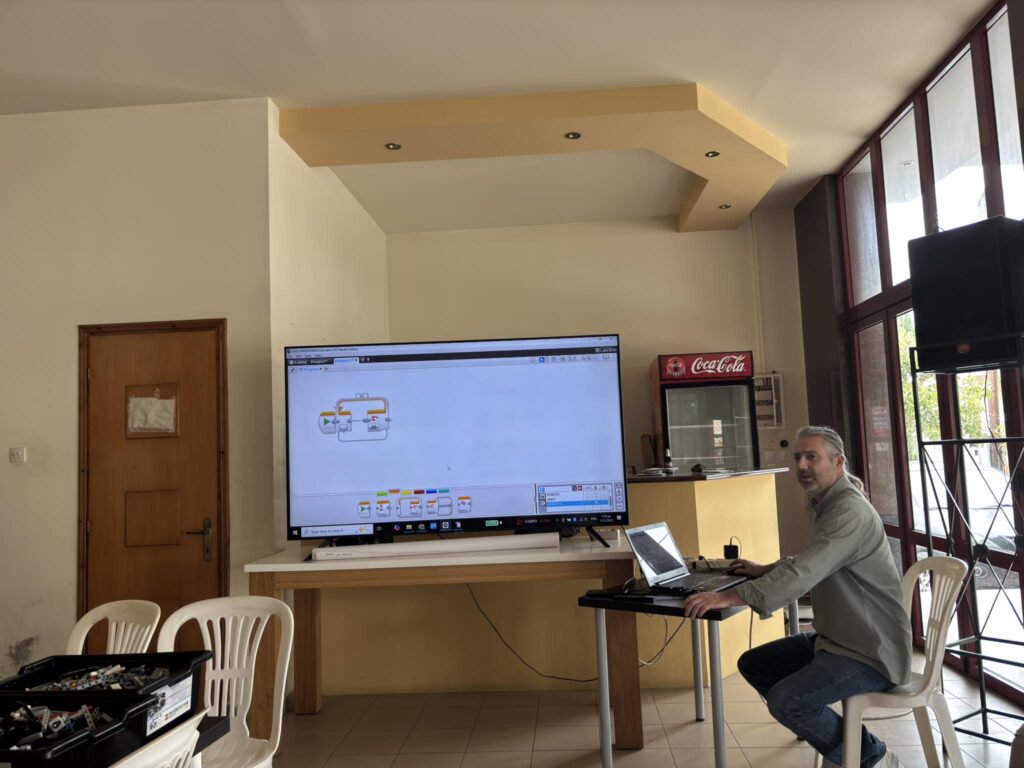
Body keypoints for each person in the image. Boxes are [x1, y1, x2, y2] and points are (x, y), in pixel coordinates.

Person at [681, 425, 911, 768]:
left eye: (812, 457)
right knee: (755, 665)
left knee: (788, 701)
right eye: (798, 457)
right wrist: (765, 569)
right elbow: (811, 560)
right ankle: (844, 747)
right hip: (838, 640)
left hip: (870, 651)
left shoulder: (849, 511)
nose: (802, 465)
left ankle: (871, 757)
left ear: (838, 462)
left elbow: (805, 572)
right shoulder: (827, 504)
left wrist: (729, 597)